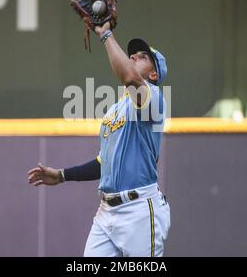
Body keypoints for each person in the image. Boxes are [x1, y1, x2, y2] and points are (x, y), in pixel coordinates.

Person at [28, 21, 170, 257]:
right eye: (131, 54)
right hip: (106, 213)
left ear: (154, 73)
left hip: (140, 211)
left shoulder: (153, 99)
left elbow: (131, 79)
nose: (133, 57)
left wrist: (105, 35)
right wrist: (63, 175)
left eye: (142, 56)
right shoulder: (115, 110)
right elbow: (105, 162)